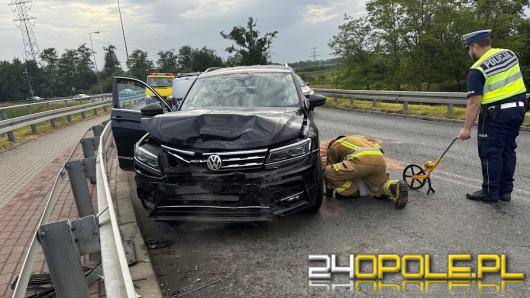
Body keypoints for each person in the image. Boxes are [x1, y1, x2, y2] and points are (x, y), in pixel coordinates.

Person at [458, 30, 528, 203]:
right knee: (508, 150)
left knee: (491, 152)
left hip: (496, 114)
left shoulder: (477, 69)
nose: (469, 53)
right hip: (519, 109)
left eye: (469, 49)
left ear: (474, 46)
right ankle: (505, 192)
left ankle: (490, 191)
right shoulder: (510, 54)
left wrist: (466, 129)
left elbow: (474, 103)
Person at [323, 135, 408, 209]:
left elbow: (330, 169)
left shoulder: (334, 145)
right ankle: (396, 185)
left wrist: (329, 193)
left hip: (361, 162)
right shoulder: (360, 138)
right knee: (380, 187)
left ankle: (352, 192)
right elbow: (380, 149)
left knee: (328, 171)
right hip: (380, 161)